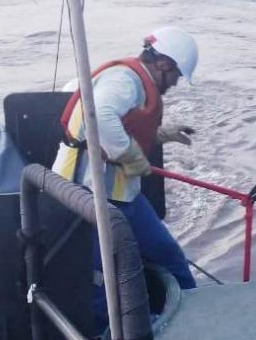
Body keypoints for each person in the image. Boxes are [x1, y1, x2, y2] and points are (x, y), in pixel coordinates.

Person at [52, 25, 199, 290]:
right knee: (100, 276)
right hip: (86, 193)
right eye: (176, 75)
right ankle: (101, 331)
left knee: (169, 257)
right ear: (164, 63)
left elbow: (128, 126)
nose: (176, 82)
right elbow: (99, 117)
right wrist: (132, 156)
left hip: (123, 195)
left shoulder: (136, 82)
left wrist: (161, 134)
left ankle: (192, 311)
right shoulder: (124, 80)